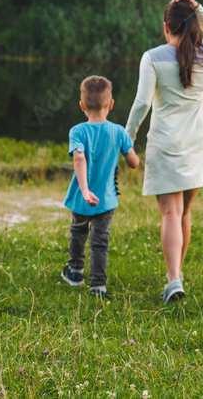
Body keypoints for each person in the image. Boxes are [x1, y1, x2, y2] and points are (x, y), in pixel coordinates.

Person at [125, 0, 203, 304]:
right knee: (184, 212)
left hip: (166, 144)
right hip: (198, 144)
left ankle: (173, 279)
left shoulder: (152, 57)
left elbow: (142, 103)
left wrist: (128, 137)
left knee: (170, 212)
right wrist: (198, 7)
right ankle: (176, 274)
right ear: (193, 26)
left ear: (166, 27)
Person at [61, 75, 140, 299]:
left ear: (82, 106)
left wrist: (85, 190)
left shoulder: (77, 131)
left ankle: (75, 272)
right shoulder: (119, 132)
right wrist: (130, 148)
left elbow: (79, 158)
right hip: (106, 199)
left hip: (80, 197)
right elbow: (133, 162)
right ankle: (98, 286)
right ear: (111, 104)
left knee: (78, 232)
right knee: (100, 240)